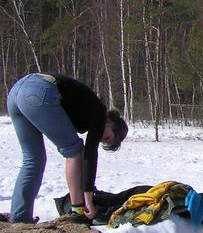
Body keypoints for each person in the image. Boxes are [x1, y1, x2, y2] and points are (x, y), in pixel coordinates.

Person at [8, 73, 128, 224]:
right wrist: (88, 200)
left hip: (16, 92)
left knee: (34, 158)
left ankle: (20, 218)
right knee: (76, 150)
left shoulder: (88, 111)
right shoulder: (99, 111)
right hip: (38, 90)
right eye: (107, 138)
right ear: (111, 123)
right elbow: (89, 156)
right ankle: (78, 210)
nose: (100, 140)